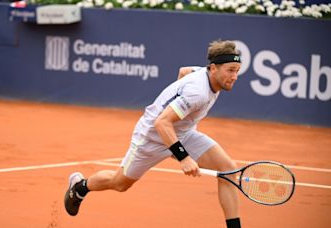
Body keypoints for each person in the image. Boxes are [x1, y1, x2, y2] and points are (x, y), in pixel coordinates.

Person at [64, 39, 242, 228]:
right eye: (230, 70)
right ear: (213, 68)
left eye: (237, 71)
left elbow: (184, 71)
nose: (234, 76)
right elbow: (162, 122)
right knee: (120, 183)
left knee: (228, 169)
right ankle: (79, 187)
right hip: (152, 137)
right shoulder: (197, 93)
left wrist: (174, 96)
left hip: (184, 134)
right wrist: (184, 157)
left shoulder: (203, 72)